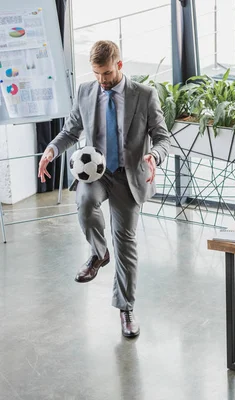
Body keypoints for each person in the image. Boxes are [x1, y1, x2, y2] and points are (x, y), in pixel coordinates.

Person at [37, 40, 171, 338]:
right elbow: (71, 131)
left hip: (128, 177)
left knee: (125, 244)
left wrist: (154, 156)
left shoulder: (145, 96)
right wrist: (51, 149)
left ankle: (126, 309)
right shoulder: (86, 91)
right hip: (95, 172)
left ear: (119, 65)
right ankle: (98, 254)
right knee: (84, 202)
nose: (102, 80)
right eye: (96, 74)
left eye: (107, 73)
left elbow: (163, 138)